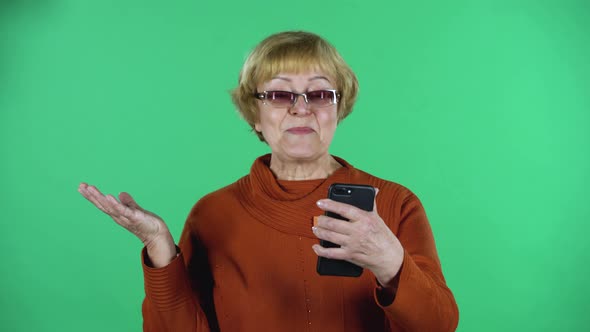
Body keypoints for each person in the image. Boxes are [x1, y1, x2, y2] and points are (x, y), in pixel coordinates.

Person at [78, 31, 459, 331]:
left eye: (320, 93)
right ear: (254, 115)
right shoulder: (213, 214)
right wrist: (159, 245)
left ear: (338, 109)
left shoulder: (393, 204)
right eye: (279, 94)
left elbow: (438, 326)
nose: (301, 107)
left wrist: (390, 262)